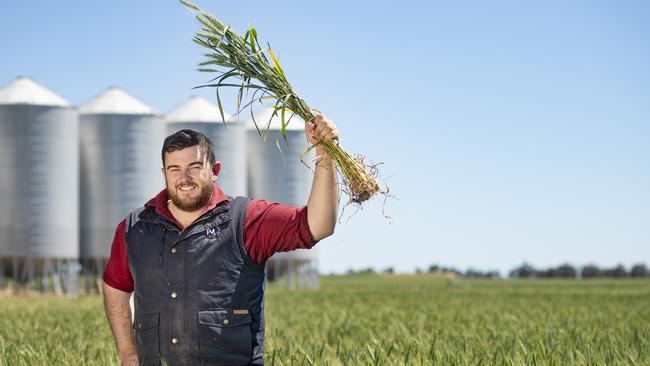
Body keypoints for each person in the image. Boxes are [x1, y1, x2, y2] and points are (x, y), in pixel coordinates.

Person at [102, 114, 339, 366]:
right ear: (164, 173)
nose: (184, 178)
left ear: (214, 171)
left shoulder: (246, 220)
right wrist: (128, 354)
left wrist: (326, 155)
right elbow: (116, 286)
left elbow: (317, 225)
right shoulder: (135, 227)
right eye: (174, 169)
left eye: (194, 167)